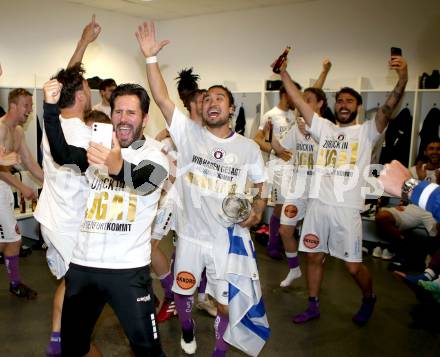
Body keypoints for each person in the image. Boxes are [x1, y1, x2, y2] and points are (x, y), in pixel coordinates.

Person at [136, 21, 267, 356]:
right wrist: (150, 59)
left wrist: (259, 209)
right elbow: (163, 98)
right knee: (184, 293)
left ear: (230, 109)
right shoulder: (188, 135)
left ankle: (220, 349)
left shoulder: (248, 148)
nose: (212, 102)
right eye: (207, 98)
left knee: (224, 304)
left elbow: (262, 184)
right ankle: (188, 327)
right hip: (191, 236)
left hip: (227, 239)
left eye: (219, 98)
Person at [277, 52, 408, 326]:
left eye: (349, 100)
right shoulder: (323, 128)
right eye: (340, 101)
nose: (343, 104)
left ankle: (369, 296)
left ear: (358, 106)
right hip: (318, 206)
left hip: (346, 209)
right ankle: (312, 305)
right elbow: (300, 101)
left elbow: (388, 108)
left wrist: (403, 78)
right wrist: (284, 74)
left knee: (352, 266)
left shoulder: (368, 131)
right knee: (313, 257)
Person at [43, 79, 168, 356]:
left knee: (148, 351)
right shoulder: (96, 149)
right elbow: (62, 154)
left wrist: (116, 166)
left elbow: (147, 181)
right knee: (73, 347)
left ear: (145, 119)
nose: (123, 119)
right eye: (118, 111)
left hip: (128, 270)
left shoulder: (154, 154)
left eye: (131, 113)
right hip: (84, 266)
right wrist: (50, 109)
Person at [33, 16, 101, 356]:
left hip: (49, 218)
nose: (90, 90)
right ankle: (77, 345)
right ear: (81, 95)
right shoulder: (85, 137)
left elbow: (65, 82)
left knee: (68, 281)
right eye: (88, 87)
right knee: (84, 291)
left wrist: (83, 41)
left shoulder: (54, 123)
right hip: (71, 225)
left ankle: (56, 340)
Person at [255, 59, 332, 260]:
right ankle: (274, 244)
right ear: (285, 94)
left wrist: (325, 71)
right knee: (281, 207)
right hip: (280, 166)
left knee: (294, 210)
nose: (298, 99)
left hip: (297, 167)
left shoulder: (297, 113)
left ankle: (291, 243)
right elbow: (257, 138)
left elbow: (316, 93)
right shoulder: (271, 115)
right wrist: (275, 151)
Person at [268, 87, 325, 287]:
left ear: (320, 104)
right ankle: (294, 269)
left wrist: (311, 130)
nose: (301, 104)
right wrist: (272, 134)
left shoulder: (328, 128)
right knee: (285, 230)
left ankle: (316, 279)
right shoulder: (295, 128)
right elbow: (279, 147)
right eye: (301, 100)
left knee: (313, 241)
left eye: (307, 100)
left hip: (319, 190)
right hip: (297, 187)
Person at [0, 87, 43, 300]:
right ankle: (15, 284)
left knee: (9, 239)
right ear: (13, 105)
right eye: (26, 105)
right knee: (14, 238)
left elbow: (30, 163)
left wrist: (53, 182)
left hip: (3, 190)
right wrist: (23, 187)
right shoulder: (0, 129)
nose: (29, 110)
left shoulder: (17, 132)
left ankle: (15, 283)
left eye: (31, 106)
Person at [375, 140, 440, 266]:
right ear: (425, 152)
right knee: (382, 217)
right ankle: (407, 248)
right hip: (414, 208)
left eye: (438, 149)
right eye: (431, 149)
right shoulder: (415, 170)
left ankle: (431, 257)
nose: (435, 152)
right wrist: (402, 204)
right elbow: (405, 192)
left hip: (433, 211)